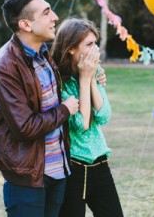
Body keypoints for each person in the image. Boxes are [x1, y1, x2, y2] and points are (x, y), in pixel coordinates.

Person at [0, 0, 79, 217]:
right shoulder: (5, 64)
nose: (55, 17)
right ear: (26, 25)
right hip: (28, 177)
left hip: (58, 170)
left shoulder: (44, 54)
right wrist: (65, 109)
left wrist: (94, 74)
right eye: (46, 13)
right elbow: (24, 127)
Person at [51, 18, 124, 217]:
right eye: (89, 44)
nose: (95, 50)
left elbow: (103, 116)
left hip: (100, 163)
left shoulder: (95, 73)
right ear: (71, 49)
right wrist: (84, 79)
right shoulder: (59, 84)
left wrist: (91, 78)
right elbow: (81, 124)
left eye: (95, 43)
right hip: (74, 168)